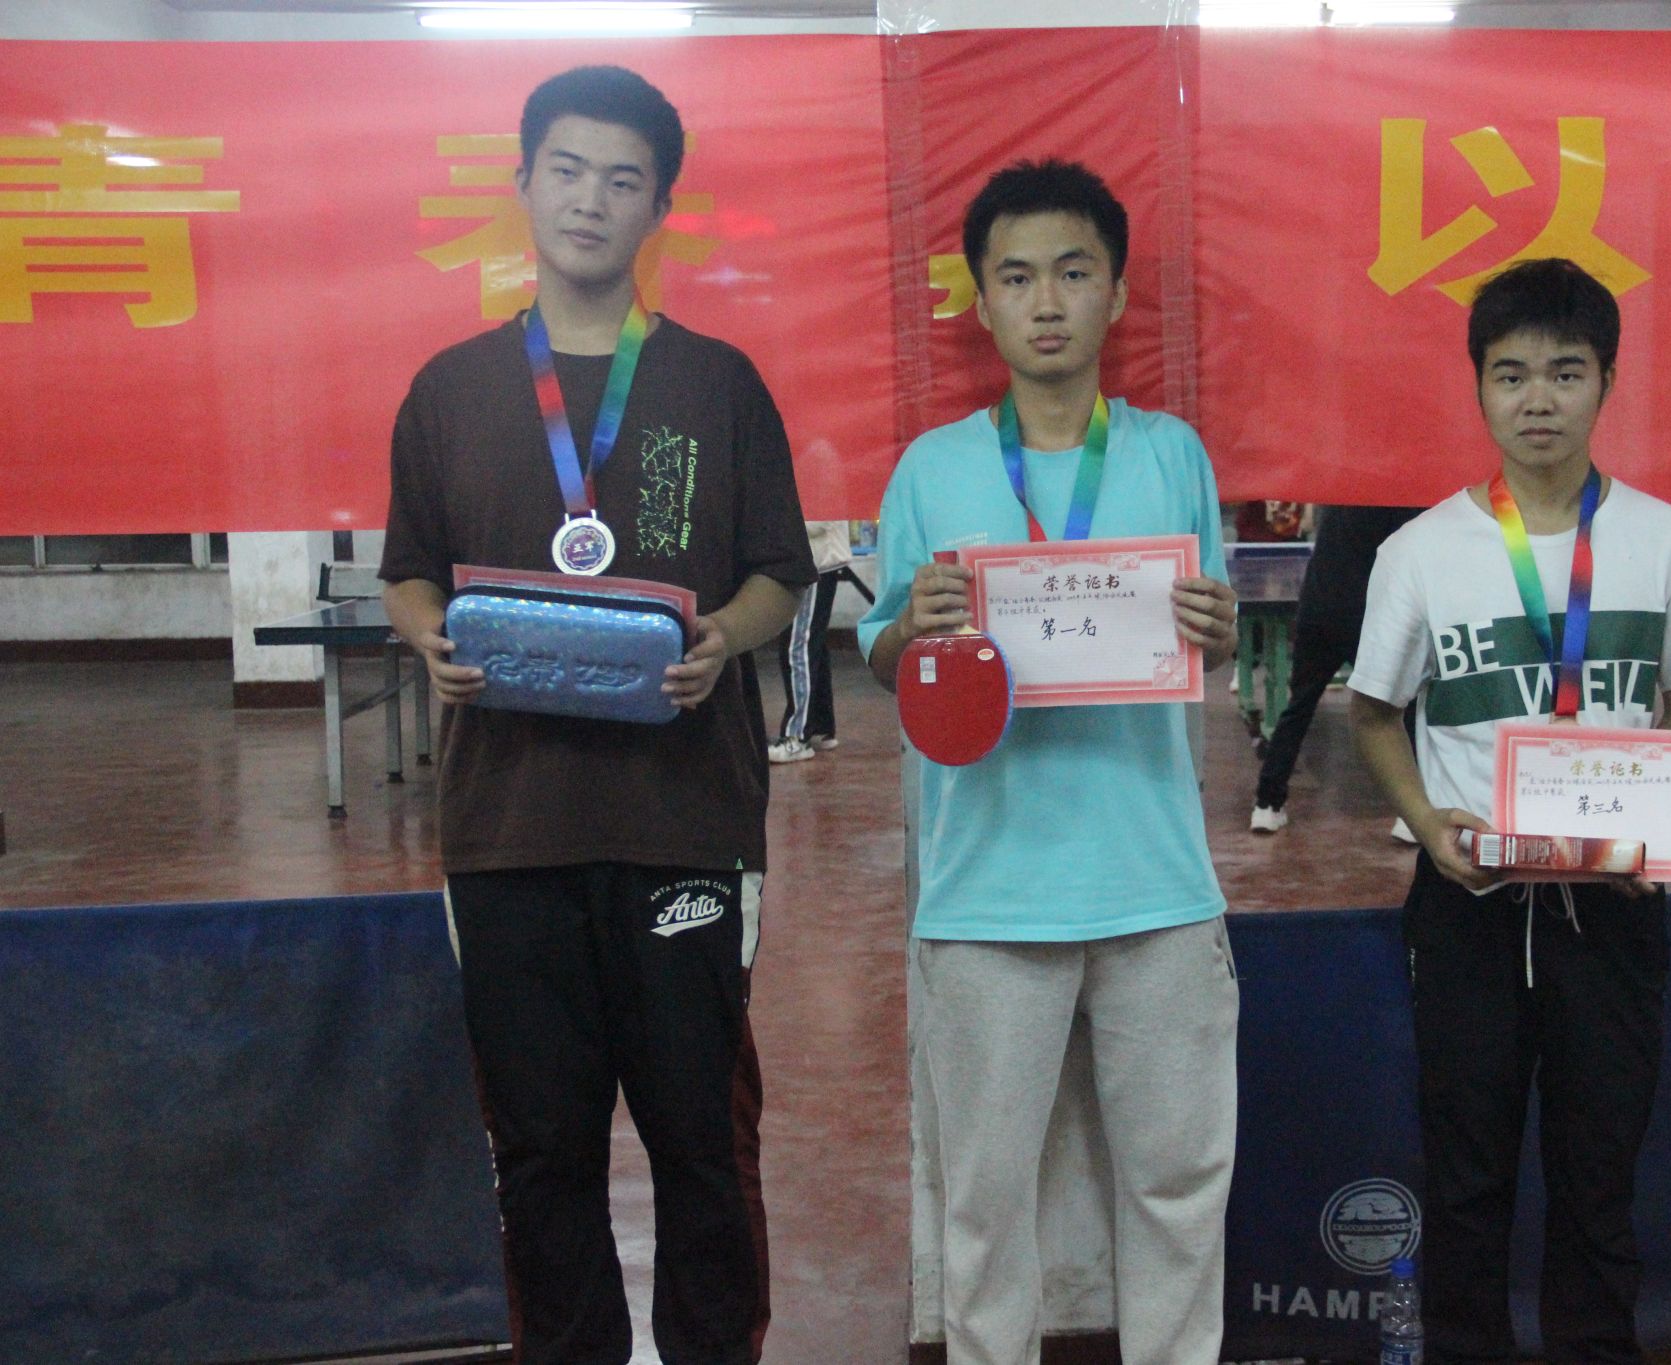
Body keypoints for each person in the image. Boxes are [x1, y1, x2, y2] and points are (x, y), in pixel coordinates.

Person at [379, 65, 813, 1365]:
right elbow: (409, 569)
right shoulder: (449, 388)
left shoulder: (718, 385)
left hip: (685, 825)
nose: (590, 199)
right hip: (508, 832)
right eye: (566, 170)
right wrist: (428, 637)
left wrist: (722, 636)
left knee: (701, 1139)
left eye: (623, 180)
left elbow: (778, 574)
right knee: (541, 1148)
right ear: (522, 185)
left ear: (658, 208)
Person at [858, 159, 1241, 1365]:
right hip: (985, 892)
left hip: (1155, 885)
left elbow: (1211, 637)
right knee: (983, 1207)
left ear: (1114, 294)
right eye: (1016, 277)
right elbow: (883, 657)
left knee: (1177, 1190)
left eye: (1073, 273)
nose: (1045, 301)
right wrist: (912, 631)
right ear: (980, 303)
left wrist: (1221, 630)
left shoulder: (1171, 456)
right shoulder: (930, 471)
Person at [1347, 258, 1671, 1364]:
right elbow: (1373, 714)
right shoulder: (1419, 552)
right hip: (1468, 904)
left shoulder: (1667, 542)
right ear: (1477, 385)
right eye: (1510, 374)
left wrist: (1667, 830)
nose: (1537, 400)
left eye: (1565, 373)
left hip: (1613, 908)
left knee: (1598, 1180)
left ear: (1606, 382)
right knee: (1465, 1178)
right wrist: (1427, 824)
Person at [1247, 503, 1419, 833]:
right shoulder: (1399, 503)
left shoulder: (1336, 496)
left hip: (1315, 611)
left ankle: (1266, 804)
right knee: (1405, 707)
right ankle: (1412, 816)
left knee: (1298, 708)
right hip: (1362, 618)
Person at [768, 519, 851, 763]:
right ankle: (820, 726)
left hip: (814, 561)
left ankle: (796, 736)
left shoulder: (818, 489)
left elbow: (817, 518)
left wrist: (774, 526)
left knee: (798, 645)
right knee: (812, 643)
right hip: (814, 558)